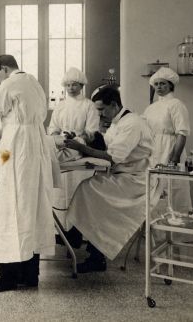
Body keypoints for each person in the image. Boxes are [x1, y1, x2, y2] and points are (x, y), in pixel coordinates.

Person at [0, 55, 55, 292]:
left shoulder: (8, 85)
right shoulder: (34, 83)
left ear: (3, 69)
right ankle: (30, 274)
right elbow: (14, 123)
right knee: (30, 208)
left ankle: (8, 277)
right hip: (33, 145)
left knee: (10, 207)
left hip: (15, 150)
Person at [63, 86, 155, 273]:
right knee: (89, 189)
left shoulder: (132, 123)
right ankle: (79, 237)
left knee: (89, 190)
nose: (99, 114)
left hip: (136, 181)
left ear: (113, 105)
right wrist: (85, 139)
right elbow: (107, 144)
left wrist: (83, 148)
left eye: (101, 109)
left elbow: (112, 156)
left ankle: (88, 246)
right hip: (123, 175)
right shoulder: (118, 121)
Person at [48, 67, 100, 226]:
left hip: (78, 144)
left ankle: (76, 227)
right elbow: (53, 128)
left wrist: (76, 139)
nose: (71, 88)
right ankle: (59, 228)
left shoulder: (88, 105)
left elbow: (91, 131)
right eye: (68, 85)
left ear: (81, 86)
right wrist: (57, 137)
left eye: (74, 85)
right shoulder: (61, 105)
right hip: (61, 141)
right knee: (48, 151)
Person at [143, 67, 192, 216]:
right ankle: (158, 233)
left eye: (162, 83)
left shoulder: (176, 104)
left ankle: (178, 232)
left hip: (170, 149)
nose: (159, 87)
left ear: (170, 85)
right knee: (155, 190)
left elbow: (182, 133)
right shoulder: (151, 108)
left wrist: (175, 158)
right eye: (156, 84)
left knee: (173, 188)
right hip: (154, 150)